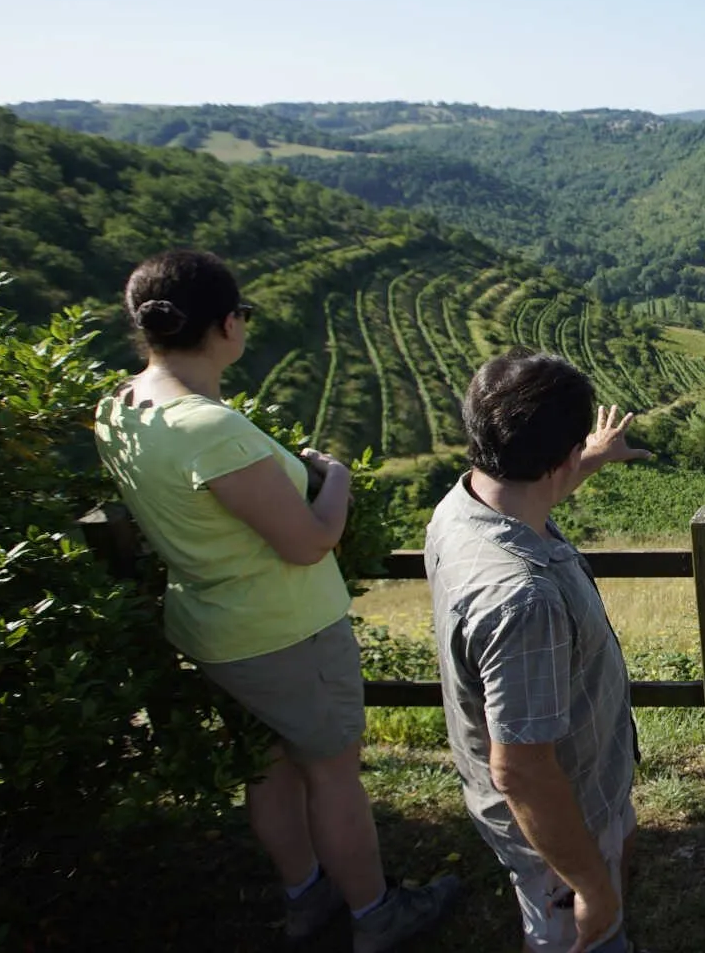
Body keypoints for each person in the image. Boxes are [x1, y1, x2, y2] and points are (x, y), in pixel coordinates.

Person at [92, 249, 459, 951]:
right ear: (228, 324)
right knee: (333, 779)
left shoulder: (121, 408)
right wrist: (338, 479)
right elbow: (309, 541)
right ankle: (377, 915)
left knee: (267, 768)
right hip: (284, 631)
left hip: (210, 628)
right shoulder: (212, 429)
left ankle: (305, 897)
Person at [426, 350, 651, 953]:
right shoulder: (522, 600)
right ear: (560, 459)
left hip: (589, 786)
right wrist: (591, 887)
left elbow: (534, 492)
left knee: (614, 860)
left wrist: (589, 456)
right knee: (582, 935)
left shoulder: (464, 506)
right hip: (561, 822)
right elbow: (522, 771)